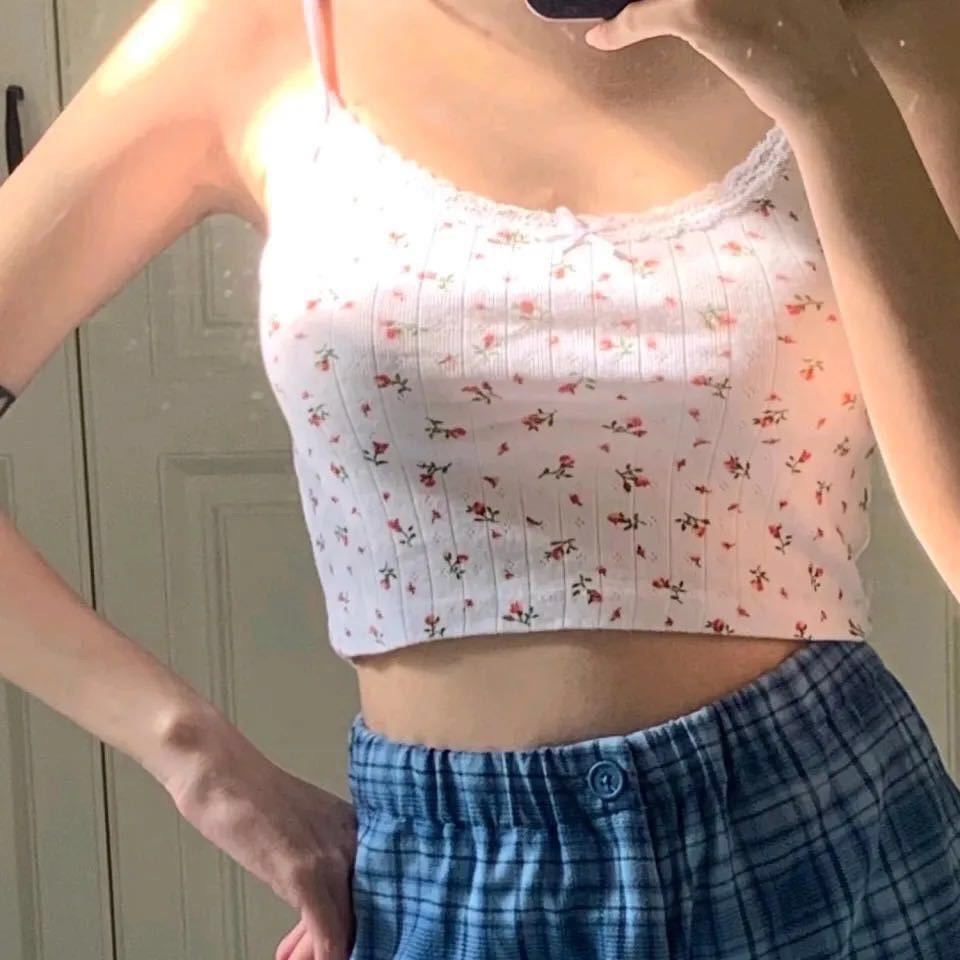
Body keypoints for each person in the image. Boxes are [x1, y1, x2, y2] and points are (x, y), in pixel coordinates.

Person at [2, 0, 960, 958]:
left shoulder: (887, 27)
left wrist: (829, 93)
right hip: (441, 887)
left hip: (829, 846)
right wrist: (196, 758)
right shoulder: (252, 30)